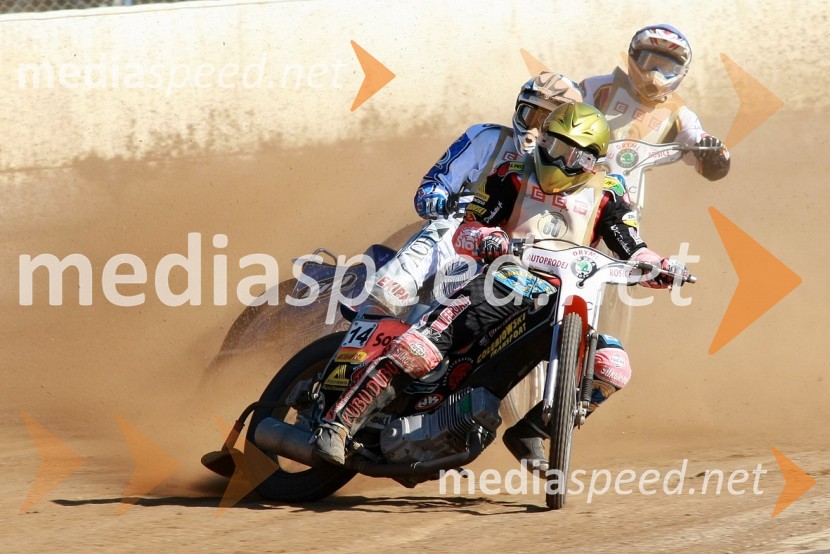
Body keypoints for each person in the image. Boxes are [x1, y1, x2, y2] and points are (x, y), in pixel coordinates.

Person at [314, 102, 688, 468]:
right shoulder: (512, 172)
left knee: (613, 365)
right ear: (542, 141)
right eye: (555, 147)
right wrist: (487, 237)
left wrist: (659, 268)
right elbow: (467, 228)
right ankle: (339, 422)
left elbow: (633, 246)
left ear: (593, 162)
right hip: (500, 281)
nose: (560, 161)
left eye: (575, 157)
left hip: (564, 299)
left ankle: (532, 430)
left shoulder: (608, 191)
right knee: (421, 348)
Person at [368, 72, 583, 314]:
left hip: (518, 257)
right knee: (444, 227)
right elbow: (435, 183)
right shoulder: (487, 138)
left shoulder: (578, 172)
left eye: (547, 123)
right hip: (464, 232)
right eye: (530, 115)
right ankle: (386, 297)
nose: (534, 129)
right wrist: (437, 200)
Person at [580, 23, 731, 181]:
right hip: (574, 173)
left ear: (681, 72)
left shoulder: (679, 114)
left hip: (624, 189)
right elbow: (568, 111)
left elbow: (696, 140)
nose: (655, 73)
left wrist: (712, 152)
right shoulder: (598, 87)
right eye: (650, 62)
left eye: (666, 68)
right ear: (635, 58)